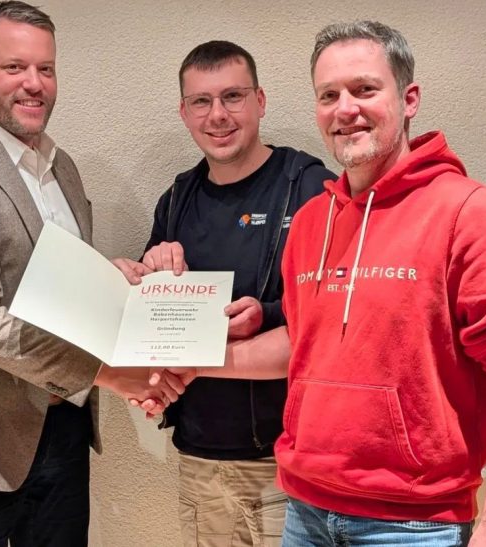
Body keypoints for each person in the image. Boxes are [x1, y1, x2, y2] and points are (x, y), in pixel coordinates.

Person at [157, 20, 486, 547]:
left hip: (414, 524)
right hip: (304, 511)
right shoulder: (312, 221)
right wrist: (186, 363)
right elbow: (302, 344)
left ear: (409, 99)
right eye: (329, 95)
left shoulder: (468, 212)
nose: (346, 109)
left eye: (364, 89)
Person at [0, 2, 185, 546]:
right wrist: (109, 374)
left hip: (63, 428)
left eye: (45, 68)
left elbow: (47, 282)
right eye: (14, 67)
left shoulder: (61, 167)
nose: (34, 83)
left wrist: (107, 276)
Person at [116, 40, 334, 546]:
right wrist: (148, 272)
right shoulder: (177, 199)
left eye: (232, 96)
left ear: (260, 101)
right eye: (201, 101)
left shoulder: (309, 188)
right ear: (184, 112)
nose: (217, 115)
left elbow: (334, 318)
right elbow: (155, 329)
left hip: (290, 462)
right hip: (201, 459)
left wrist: (268, 312)